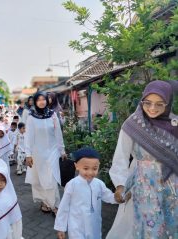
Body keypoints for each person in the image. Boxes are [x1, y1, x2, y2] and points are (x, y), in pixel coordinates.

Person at [106, 80, 178, 239]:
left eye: (160, 104)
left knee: (171, 223)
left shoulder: (175, 124)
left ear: (168, 103)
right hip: (143, 184)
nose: (152, 108)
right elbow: (120, 157)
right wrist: (119, 185)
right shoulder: (133, 124)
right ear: (142, 101)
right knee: (147, 225)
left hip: (171, 185)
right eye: (148, 103)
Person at [54, 147, 117, 239]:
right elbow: (64, 207)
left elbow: (109, 196)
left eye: (94, 168)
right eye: (86, 168)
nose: (90, 172)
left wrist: (119, 198)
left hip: (94, 225)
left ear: (98, 166)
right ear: (77, 166)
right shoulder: (72, 185)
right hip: (76, 226)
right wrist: (61, 228)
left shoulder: (99, 184)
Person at [25, 91, 66, 216]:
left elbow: (58, 134)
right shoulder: (31, 118)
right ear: (35, 102)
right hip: (38, 154)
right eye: (39, 100)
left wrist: (62, 150)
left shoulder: (53, 115)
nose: (42, 102)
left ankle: (55, 205)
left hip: (53, 152)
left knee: (51, 180)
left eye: (44, 99)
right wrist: (28, 154)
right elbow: (28, 137)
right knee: (40, 179)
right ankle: (45, 202)